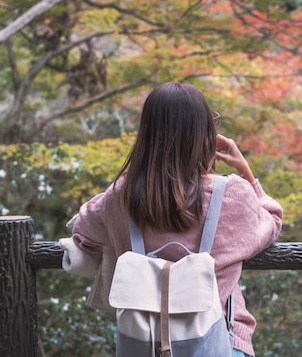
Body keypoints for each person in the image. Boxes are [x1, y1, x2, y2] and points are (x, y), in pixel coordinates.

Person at [68, 81, 283, 357]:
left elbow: (83, 228)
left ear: (146, 134)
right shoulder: (230, 193)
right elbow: (271, 220)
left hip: (144, 345)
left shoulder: (121, 195)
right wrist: (247, 173)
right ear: (204, 133)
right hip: (220, 343)